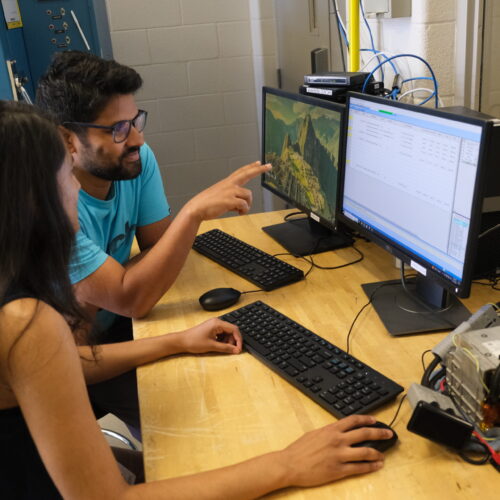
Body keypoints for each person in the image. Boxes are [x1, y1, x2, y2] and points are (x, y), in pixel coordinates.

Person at [0, 100, 392, 498]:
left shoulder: (14, 295)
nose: (77, 187)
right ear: (33, 198)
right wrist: (287, 464)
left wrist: (176, 341)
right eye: (67, 174)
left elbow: (65, 362)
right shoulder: (25, 322)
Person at [36, 51, 270, 435]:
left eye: (136, 121)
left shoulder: (136, 160)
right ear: (67, 139)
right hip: (76, 362)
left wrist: (114, 285)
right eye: (118, 129)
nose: (138, 139)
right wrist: (192, 213)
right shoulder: (52, 205)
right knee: (201, 431)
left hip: (112, 331)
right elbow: (136, 299)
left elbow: (157, 258)